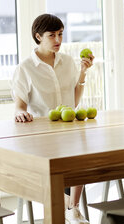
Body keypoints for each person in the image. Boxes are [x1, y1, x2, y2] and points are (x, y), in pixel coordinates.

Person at [11, 13, 93, 224]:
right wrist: (20, 112)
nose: (58, 40)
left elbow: (72, 103)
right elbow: (19, 106)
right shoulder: (25, 68)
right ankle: (69, 209)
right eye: (52, 35)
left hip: (67, 131)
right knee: (69, 159)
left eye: (60, 34)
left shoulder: (67, 62)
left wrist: (83, 71)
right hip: (41, 137)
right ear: (38, 36)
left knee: (82, 155)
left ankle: (70, 208)